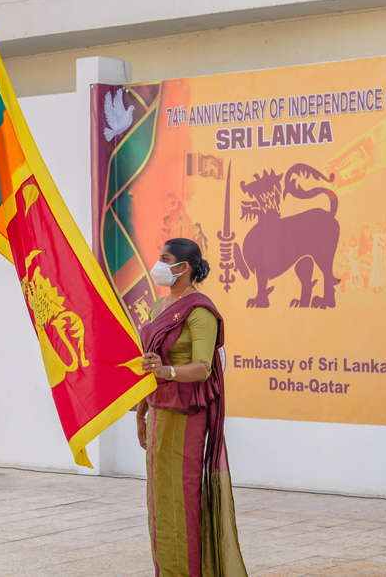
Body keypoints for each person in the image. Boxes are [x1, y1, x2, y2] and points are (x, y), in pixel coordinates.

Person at [136, 238, 247, 577]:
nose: (158, 263)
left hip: (187, 416)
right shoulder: (159, 307)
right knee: (159, 501)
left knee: (181, 500)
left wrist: (167, 373)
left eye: (164, 258)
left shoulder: (200, 311)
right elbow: (149, 364)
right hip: (158, 412)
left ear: (183, 267)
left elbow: (203, 367)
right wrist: (140, 412)